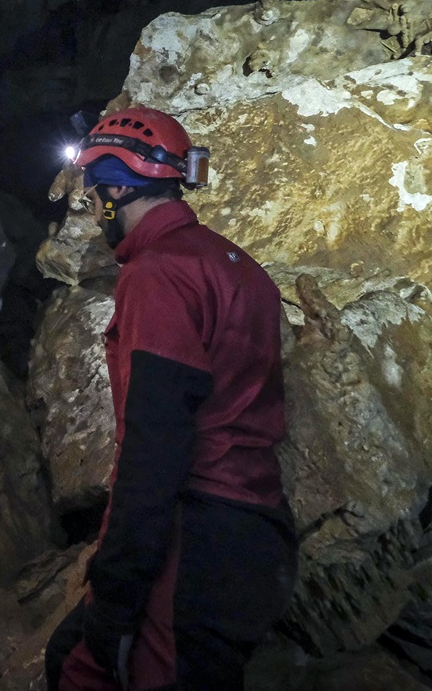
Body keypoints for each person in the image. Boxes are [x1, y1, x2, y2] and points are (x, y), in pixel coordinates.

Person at [44, 107, 296, 691]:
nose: (93, 204)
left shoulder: (160, 273)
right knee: (73, 652)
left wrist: (118, 580)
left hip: (198, 534)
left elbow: (156, 444)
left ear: (117, 187)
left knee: (91, 671)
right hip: (257, 530)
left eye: (95, 188)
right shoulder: (242, 269)